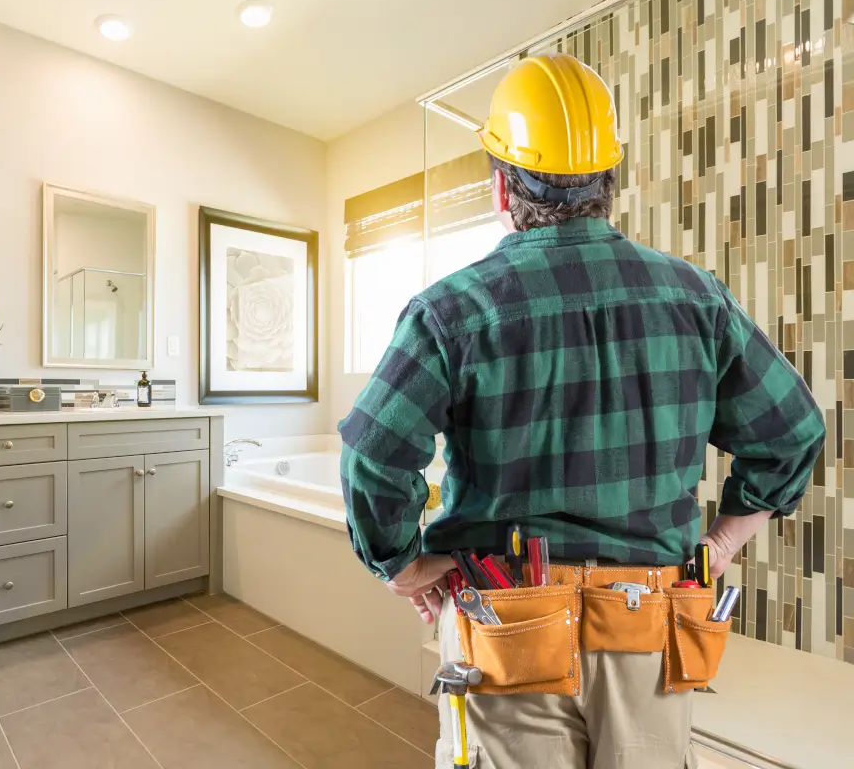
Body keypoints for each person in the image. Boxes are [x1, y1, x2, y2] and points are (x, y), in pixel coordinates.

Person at [338, 53, 824, 769]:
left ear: (502, 186)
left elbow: (374, 456)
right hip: (651, 623)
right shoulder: (696, 299)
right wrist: (718, 546)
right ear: (608, 183)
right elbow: (794, 433)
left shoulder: (452, 310)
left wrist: (405, 564)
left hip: (506, 624)